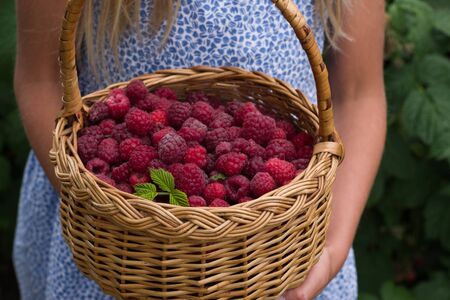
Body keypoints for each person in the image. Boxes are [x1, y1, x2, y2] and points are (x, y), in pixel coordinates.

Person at [13, 0, 386, 299]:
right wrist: (111, 213)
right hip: (118, 249)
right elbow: (40, 80)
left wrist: (330, 252)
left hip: (281, 251)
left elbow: (359, 95)